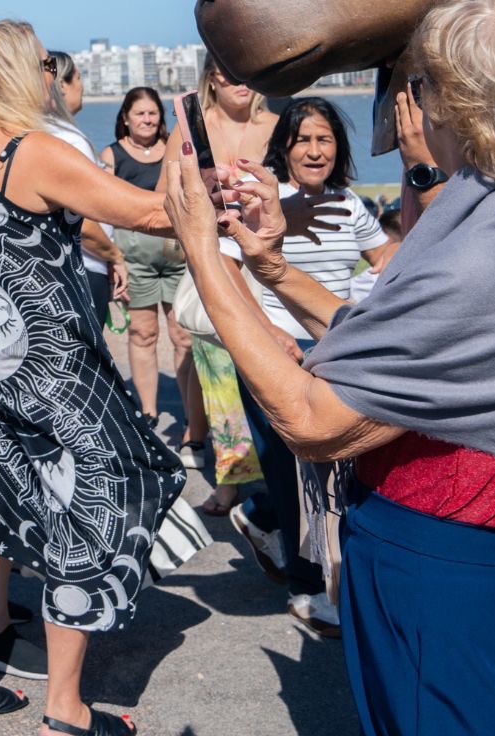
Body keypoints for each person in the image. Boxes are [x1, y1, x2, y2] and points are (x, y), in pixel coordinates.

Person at [168, 0, 495, 736]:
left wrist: (202, 252)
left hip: (447, 574)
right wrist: (273, 267)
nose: (411, 107)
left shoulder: (479, 253)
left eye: (421, 85)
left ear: (461, 104)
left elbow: (311, 420)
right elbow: (409, 336)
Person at [0, 20, 185, 736]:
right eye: (44, 63)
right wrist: (195, 166)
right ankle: (65, 711)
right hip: (51, 361)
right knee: (95, 499)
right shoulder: (31, 151)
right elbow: (149, 212)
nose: (50, 73)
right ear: (18, 71)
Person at [225, 97, 396, 637]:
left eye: (325, 140)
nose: (315, 151)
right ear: (285, 147)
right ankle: (307, 590)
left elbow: (384, 256)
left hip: (335, 350)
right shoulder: (265, 198)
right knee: (291, 469)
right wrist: (268, 330)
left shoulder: (349, 204)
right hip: (277, 350)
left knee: (330, 469)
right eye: (304, 140)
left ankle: (262, 515)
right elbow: (226, 266)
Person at [100, 86, 209, 468]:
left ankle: (192, 421)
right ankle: (147, 412)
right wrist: (113, 258)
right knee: (142, 334)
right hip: (135, 259)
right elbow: (103, 209)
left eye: (153, 113)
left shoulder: (174, 149)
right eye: (140, 113)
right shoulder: (111, 156)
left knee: (183, 335)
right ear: (126, 118)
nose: (147, 120)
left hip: (177, 256)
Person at [186, 64, 276, 515]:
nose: (240, 82)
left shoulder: (277, 125)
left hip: (268, 263)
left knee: (270, 369)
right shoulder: (193, 128)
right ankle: (231, 478)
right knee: (219, 373)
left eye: (245, 70)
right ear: (212, 78)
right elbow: (170, 196)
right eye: (227, 72)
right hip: (215, 261)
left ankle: (278, 471)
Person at [45, 52, 130, 310]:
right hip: (85, 267)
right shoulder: (69, 141)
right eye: (79, 78)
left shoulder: (40, 133)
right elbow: (81, 219)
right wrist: (114, 255)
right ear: (62, 85)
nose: (82, 86)